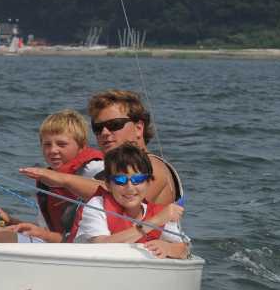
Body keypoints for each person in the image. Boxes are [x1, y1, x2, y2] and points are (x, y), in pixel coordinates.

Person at [20, 89, 184, 208]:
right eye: (98, 128)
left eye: (114, 125)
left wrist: (63, 179)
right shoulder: (106, 173)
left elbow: (123, 203)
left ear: (138, 128)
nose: (105, 132)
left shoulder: (154, 166)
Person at [0, 109, 103, 243]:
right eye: (47, 144)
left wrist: (44, 235)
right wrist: (11, 222)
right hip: (59, 248)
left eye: (61, 144)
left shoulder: (96, 170)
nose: (53, 150)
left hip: (87, 249)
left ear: (82, 146)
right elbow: (45, 232)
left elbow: (82, 240)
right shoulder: (46, 181)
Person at [71, 144, 188, 259]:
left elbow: (184, 249)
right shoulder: (97, 205)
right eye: (120, 180)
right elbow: (101, 246)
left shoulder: (158, 213)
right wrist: (153, 223)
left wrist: (168, 248)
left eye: (138, 179)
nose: (130, 187)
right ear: (108, 184)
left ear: (148, 182)